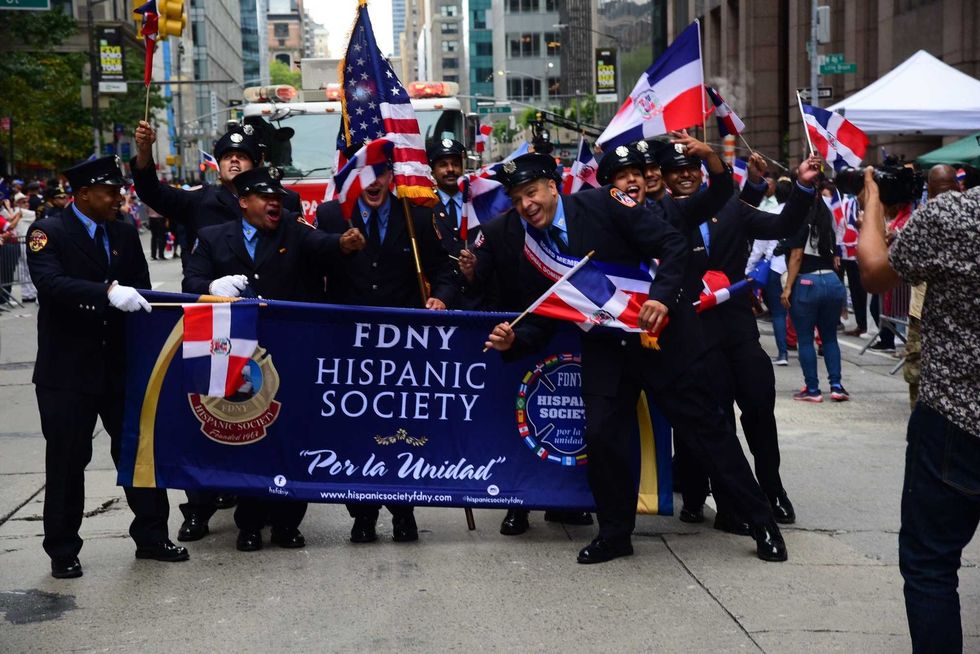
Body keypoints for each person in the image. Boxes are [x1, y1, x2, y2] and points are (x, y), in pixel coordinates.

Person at [484, 152, 787, 564]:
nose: (526, 205)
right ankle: (614, 533)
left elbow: (672, 243)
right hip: (607, 348)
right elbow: (545, 311)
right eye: (517, 199)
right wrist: (513, 339)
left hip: (660, 336)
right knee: (603, 438)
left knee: (707, 432)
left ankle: (761, 522)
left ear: (553, 186)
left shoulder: (604, 202)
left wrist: (661, 299)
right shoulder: (532, 245)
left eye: (531, 192)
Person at [184, 166, 365, 552]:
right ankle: (248, 523)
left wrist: (345, 243)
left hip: (289, 355)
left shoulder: (294, 232)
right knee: (245, 439)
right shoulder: (213, 238)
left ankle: (287, 523)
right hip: (236, 358)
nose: (274, 205)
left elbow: (325, 245)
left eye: (278, 199)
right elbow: (190, 285)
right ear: (244, 201)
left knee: (290, 436)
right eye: (266, 198)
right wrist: (212, 287)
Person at [26, 156, 188, 579]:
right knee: (66, 460)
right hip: (68, 371)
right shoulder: (48, 231)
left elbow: (143, 289)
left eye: (119, 190)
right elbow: (51, 284)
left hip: (120, 365)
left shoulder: (123, 231)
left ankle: (152, 536)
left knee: (137, 451)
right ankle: (62, 549)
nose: (120, 198)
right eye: (110, 192)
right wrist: (106, 292)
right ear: (82, 195)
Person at [856, 167, 980, 654]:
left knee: (930, 565)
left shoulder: (957, 214)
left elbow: (873, 271)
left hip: (957, 420)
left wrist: (871, 200)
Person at [666, 146, 820, 529]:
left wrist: (802, 185)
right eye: (676, 170)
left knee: (759, 410)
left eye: (692, 168)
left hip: (737, 329)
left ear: (703, 174)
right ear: (666, 178)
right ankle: (721, 497)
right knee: (715, 420)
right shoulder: (661, 216)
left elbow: (781, 226)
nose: (685, 174)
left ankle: (773, 488)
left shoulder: (732, 208)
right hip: (695, 334)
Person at [133, 122, 268, 538]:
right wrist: (143, 152)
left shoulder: (273, 201)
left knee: (256, 409)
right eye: (227, 155)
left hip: (260, 318)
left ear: (255, 164)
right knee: (206, 413)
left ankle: (256, 508)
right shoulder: (200, 202)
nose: (233, 160)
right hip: (210, 320)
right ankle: (198, 509)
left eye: (241, 156)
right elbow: (152, 193)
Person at [316, 144, 455, 544]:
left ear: (392, 176)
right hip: (350, 348)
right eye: (366, 172)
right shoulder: (331, 215)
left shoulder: (417, 215)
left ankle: (403, 511)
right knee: (355, 432)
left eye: (381, 172)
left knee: (401, 429)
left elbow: (444, 269)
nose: (374, 181)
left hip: (402, 349)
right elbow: (313, 266)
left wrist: (441, 297)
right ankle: (362, 514)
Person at [781, 189, 847, 403]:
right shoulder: (829, 223)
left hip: (808, 283)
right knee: (829, 337)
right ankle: (836, 386)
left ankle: (812, 389)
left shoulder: (800, 221)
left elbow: (797, 256)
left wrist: (788, 287)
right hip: (833, 282)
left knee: (806, 339)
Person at [903, 165, 960, 408]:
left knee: (917, 371)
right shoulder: (972, 215)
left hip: (923, 311)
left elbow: (902, 267)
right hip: (957, 314)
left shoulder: (922, 219)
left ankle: (922, 414)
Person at [426, 138, 485, 309]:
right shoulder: (425, 206)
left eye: (455, 164)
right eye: (443, 164)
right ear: (433, 171)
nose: (450, 169)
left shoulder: (478, 202)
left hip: (477, 301)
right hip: (439, 302)